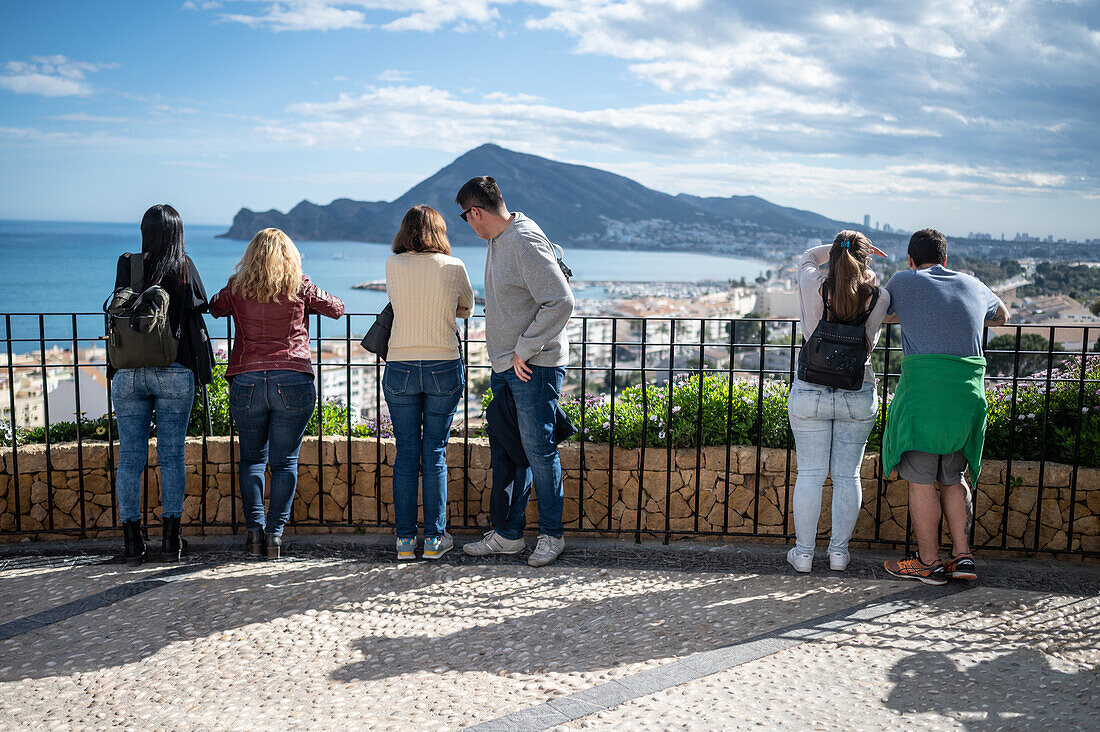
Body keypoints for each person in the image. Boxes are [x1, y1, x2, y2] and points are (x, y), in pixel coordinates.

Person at [456, 176, 575, 567]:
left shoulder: (524, 240)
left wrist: (525, 348)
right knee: (512, 452)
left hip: (532, 367)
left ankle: (551, 536)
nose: (467, 224)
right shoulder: (498, 240)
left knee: (539, 453)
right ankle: (508, 535)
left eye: (465, 217)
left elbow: (560, 301)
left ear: (476, 212)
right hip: (508, 366)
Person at [881, 229, 1009, 584]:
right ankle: (963, 557)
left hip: (925, 396)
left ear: (910, 260)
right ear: (946, 259)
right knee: (954, 477)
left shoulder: (904, 280)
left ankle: (929, 562)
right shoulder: (973, 283)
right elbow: (1003, 315)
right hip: (966, 396)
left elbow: (878, 310)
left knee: (921, 479)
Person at [209, 228, 345, 559]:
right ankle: (274, 536)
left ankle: (254, 534)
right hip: (292, 378)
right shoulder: (300, 284)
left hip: (247, 379)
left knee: (252, 459)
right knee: (284, 463)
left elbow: (214, 307)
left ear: (251, 255)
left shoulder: (237, 286)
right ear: (291, 256)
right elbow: (337, 308)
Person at [109, 204, 214, 566]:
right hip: (174, 369)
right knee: (171, 455)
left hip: (128, 372)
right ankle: (171, 540)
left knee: (130, 458)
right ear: (177, 232)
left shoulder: (128, 263)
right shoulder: (183, 265)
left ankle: (132, 541)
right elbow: (203, 305)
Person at [786, 231, 891, 574]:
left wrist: (837, 249)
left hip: (810, 388)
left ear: (832, 254)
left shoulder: (813, 282)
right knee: (847, 476)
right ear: (866, 261)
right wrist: (861, 262)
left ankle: (803, 555)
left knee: (811, 475)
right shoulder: (878, 296)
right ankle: (838, 554)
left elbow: (806, 256)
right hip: (856, 389)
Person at [383, 205, 474, 560]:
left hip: (401, 363)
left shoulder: (392, 265)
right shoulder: (453, 267)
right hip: (443, 363)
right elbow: (465, 307)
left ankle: (405, 540)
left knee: (406, 451)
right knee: (434, 452)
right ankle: (435, 539)